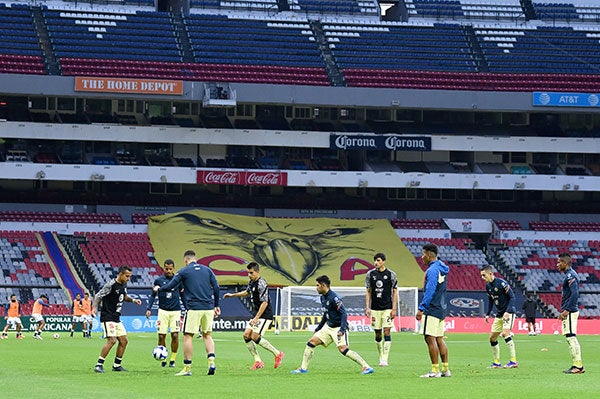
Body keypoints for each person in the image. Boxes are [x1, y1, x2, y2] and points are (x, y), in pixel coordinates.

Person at [291, 275, 374, 375]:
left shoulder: (334, 298)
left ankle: (366, 367)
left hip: (338, 327)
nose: (316, 288)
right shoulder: (323, 298)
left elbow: (344, 313)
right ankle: (303, 369)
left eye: (317, 285)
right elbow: (326, 315)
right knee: (311, 342)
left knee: (343, 349)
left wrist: (342, 330)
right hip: (328, 327)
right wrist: (319, 328)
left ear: (323, 285)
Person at [155, 250, 220, 376]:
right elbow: (216, 287)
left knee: (188, 336)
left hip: (194, 307)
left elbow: (171, 286)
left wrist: (159, 289)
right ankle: (211, 362)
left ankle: (187, 368)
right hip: (208, 307)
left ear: (185, 260)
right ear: (196, 259)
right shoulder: (207, 270)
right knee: (207, 335)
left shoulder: (184, 271)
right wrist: (216, 305)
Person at [223, 262, 284, 370]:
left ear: (257, 272)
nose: (249, 275)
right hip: (256, 314)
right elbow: (247, 292)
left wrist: (256, 318)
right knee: (246, 335)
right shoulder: (252, 282)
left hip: (265, 315)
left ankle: (278, 353)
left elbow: (264, 302)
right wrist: (233, 295)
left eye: (251, 273)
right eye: (248, 273)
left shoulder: (262, 283)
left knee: (255, 336)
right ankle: (258, 361)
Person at [92, 266, 142, 373]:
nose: (128, 279)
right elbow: (98, 296)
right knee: (112, 340)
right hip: (107, 316)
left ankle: (116, 365)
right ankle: (98, 365)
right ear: (120, 274)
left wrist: (133, 300)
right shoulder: (111, 285)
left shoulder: (123, 285)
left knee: (124, 341)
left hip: (116, 317)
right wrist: (95, 308)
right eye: (127, 276)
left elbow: (123, 297)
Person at [416, 243, 451, 378]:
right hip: (441, 308)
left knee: (430, 339)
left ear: (429, 255)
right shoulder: (442, 268)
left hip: (432, 309)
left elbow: (430, 291)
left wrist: (421, 308)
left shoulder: (432, 271)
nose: (422, 257)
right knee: (439, 339)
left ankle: (434, 370)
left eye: (424, 254)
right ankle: (445, 369)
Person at [146, 259, 184, 368]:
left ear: (173, 269)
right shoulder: (158, 280)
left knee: (175, 335)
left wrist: (187, 308)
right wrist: (149, 308)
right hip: (162, 311)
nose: (168, 271)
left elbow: (182, 295)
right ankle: (163, 358)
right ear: (164, 268)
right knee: (161, 336)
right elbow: (153, 295)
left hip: (175, 311)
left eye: (170, 269)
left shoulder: (178, 281)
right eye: (166, 269)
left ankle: (172, 359)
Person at [480, 265, 518, 369]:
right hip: (499, 314)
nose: (483, 278)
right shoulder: (488, 286)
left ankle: (513, 361)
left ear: (490, 274)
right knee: (492, 338)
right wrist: (488, 313)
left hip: (508, 313)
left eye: (484, 275)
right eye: (481, 276)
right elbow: (491, 300)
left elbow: (512, 297)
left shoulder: (501, 283)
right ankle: (497, 362)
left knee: (505, 333)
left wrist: (508, 311)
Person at [365, 252, 397, 366]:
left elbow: (395, 291)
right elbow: (368, 291)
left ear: (383, 261)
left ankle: (385, 359)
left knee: (387, 331)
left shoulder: (391, 274)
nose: (376, 263)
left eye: (378, 260)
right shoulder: (370, 274)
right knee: (378, 334)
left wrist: (394, 309)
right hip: (375, 308)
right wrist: (367, 307)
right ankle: (380, 356)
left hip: (387, 308)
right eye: (375, 260)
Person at [557, 253, 585, 374]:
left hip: (570, 311)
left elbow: (575, 294)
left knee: (571, 337)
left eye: (559, 262)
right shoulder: (569, 275)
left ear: (565, 263)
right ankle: (576, 364)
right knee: (570, 337)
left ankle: (578, 366)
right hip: (569, 310)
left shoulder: (570, 275)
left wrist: (567, 310)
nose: (557, 265)